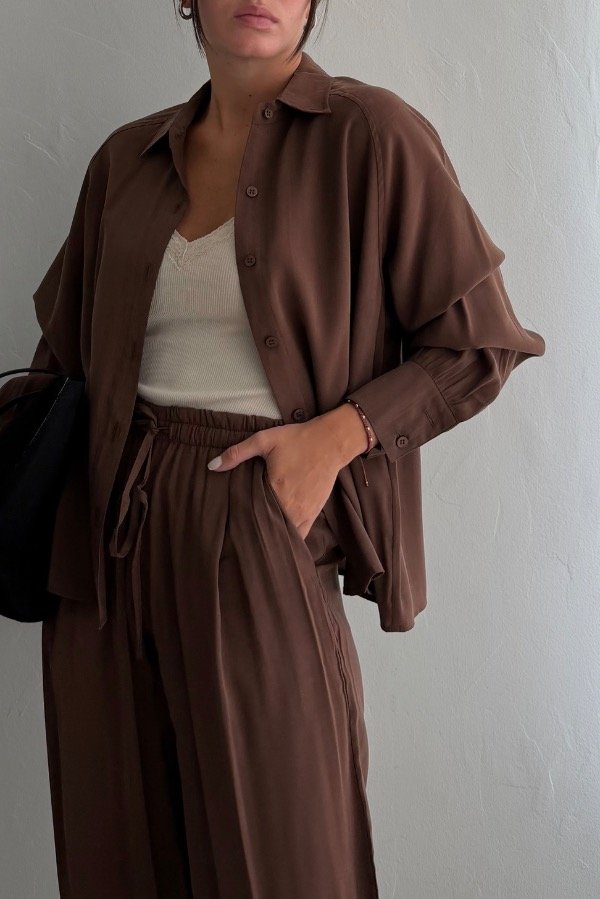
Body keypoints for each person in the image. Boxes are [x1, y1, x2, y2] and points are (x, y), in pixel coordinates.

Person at [2, 1, 545, 896]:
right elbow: (59, 366)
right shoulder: (125, 160)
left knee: (286, 861)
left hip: (258, 519)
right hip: (105, 534)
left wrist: (336, 438)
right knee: (116, 855)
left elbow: (479, 345)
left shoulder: (372, 137)